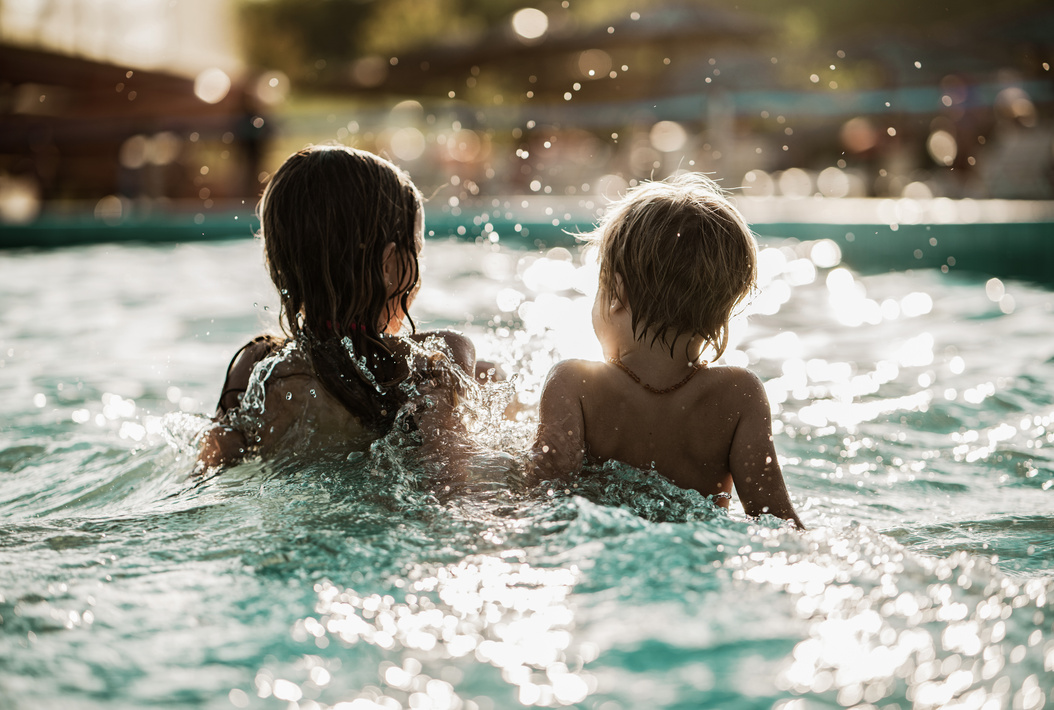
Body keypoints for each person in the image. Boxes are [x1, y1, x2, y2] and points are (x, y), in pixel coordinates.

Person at [528, 173, 804, 529]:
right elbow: (777, 521)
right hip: (700, 558)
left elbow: (542, 500)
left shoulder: (575, 384)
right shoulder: (740, 395)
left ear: (617, 293)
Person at [197, 145, 477, 472]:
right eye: (417, 251)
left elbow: (211, 466)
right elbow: (450, 476)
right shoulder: (432, 355)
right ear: (389, 265)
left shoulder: (256, 366)